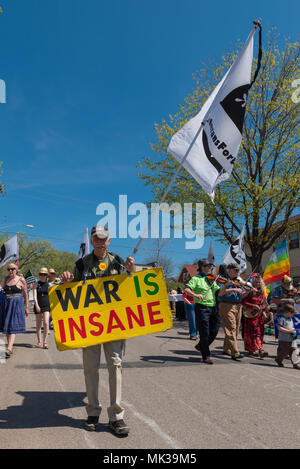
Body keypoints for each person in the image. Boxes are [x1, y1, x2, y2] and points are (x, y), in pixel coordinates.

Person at [60, 225, 135, 436]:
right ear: (92, 241)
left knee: (115, 366)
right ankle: (92, 412)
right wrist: (66, 281)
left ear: (109, 241)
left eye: (104, 238)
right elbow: (71, 293)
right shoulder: (81, 264)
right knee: (90, 368)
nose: (100, 242)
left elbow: (131, 288)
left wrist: (130, 271)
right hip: (89, 326)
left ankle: (116, 416)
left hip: (114, 324)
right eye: (96, 238)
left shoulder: (119, 262)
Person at [184, 258, 220, 364]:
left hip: (213, 307)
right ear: (202, 267)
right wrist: (195, 295)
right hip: (202, 308)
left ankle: (201, 346)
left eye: (210, 266)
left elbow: (219, 291)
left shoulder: (211, 279)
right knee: (205, 333)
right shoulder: (196, 278)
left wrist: (228, 286)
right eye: (207, 266)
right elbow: (186, 289)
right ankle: (206, 356)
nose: (209, 268)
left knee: (214, 331)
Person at [0, 263, 29, 358]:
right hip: (6, 304)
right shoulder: (5, 279)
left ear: (16, 270)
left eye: (13, 269)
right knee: (7, 326)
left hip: (17, 305)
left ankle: (9, 347)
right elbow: (1, 289)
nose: (10, 271)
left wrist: (27, 307)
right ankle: (9, 346)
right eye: (9, 269)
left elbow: (25, 294)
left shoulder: (21, 280)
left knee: (12, 324)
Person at [218, 263, 244, 361]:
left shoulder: (238, 280)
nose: (238, 272)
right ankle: (235, 352)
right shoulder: (222, 279)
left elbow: (241, 294)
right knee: (231, 327)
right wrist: (231, 288)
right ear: (229, 270)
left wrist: (248, 290)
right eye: (236, 270)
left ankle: (226, 348)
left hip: (238, 305)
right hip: (226, 305)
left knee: (236, 329)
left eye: (238, 270)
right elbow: (220, 293)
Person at [241, 274, 269, 358]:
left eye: (259, 282)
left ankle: (256, 349)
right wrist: (253, 306)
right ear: (253, 282)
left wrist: (266, 308)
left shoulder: (261, 292)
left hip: (259, 316)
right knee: (253, 332)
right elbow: (243, 302)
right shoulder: (249, 291)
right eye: (256, 282)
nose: (258, 284)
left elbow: (263, 304)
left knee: (260, 332)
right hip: (250, 315)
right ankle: (258, 350)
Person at [275, 304, 300, 369]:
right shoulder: (282, 319)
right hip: (283, 339)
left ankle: (295, 364)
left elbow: (291, 327)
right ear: (289, 313)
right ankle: (278, 359)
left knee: (293, 351)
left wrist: (293, 331)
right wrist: (289, 331)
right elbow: (279, 328)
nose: (293, 315)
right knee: (284, 351)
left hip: (290, 339)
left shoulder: (290, 319)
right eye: (292, 314)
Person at [33, 267, 50, 349]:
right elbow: (34, 295)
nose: (43, 276)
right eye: (41, 274)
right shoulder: (36, 284)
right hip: (38, 305)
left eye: (44, 274)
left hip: (47, 305)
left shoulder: (49, 284)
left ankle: (45, 342)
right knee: (39, 324)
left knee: (46, 322)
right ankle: (39, 341)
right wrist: (36, 305)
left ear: (47, 275)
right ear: (39, 275)